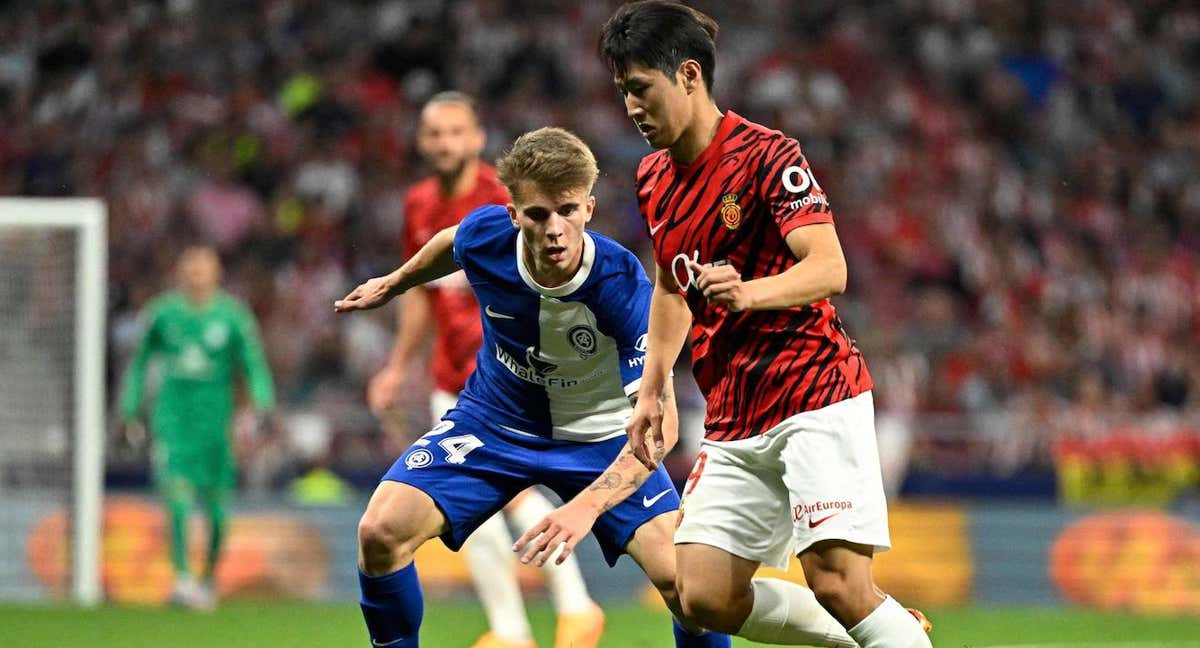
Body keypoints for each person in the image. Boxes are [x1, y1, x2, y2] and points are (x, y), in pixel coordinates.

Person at [600, 2, 935, 647]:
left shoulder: (766, 155)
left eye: (640, 90)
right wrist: (654, 385)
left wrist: (749, 294)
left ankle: (882, 630)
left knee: (837, 582)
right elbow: (672, 281)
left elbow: (829, 267)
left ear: (689, 75)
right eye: (622, 94)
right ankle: (878, 636)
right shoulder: (652, 178)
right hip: (734, 410)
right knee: (698, 595)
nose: (631, 110)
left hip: (814, 391)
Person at [336, 127, 729, 648]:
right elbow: (451, 243)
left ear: (589, 208)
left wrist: (585, 507)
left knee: (691, 590)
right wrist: (396, 282)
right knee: (380, 533)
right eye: (538, 214)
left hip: (605, 439)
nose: (554, 230)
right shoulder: (487, 237)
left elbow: (660, 431)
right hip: (493, 426)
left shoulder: (622, 285)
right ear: (514, 213)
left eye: (567, 210)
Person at [367, 91, 602, 648]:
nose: (446, 143)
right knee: (468, 513)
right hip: (452, 382)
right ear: (423, 143)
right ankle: (510, 630)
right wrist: (398, 366)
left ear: (476, 138)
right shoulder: (419, 205)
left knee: (511, 493)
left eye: (456, 132)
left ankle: (577, 608)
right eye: (435, 133)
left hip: (512, 380)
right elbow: (421, 291)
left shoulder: (506, 202)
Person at [119, 246, 274, 610]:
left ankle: (207, 579)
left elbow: (253, 363)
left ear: (216, 273)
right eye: (190, 269)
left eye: (203, 270)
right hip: (173, 421)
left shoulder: (233, 316)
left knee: (218, 511)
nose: (196, 276)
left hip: (217, 426)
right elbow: (139, 362)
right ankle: (183, 580)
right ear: (180, 273)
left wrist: (264, 403)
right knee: (177, 500)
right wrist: (129, 409)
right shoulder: (162, 314)